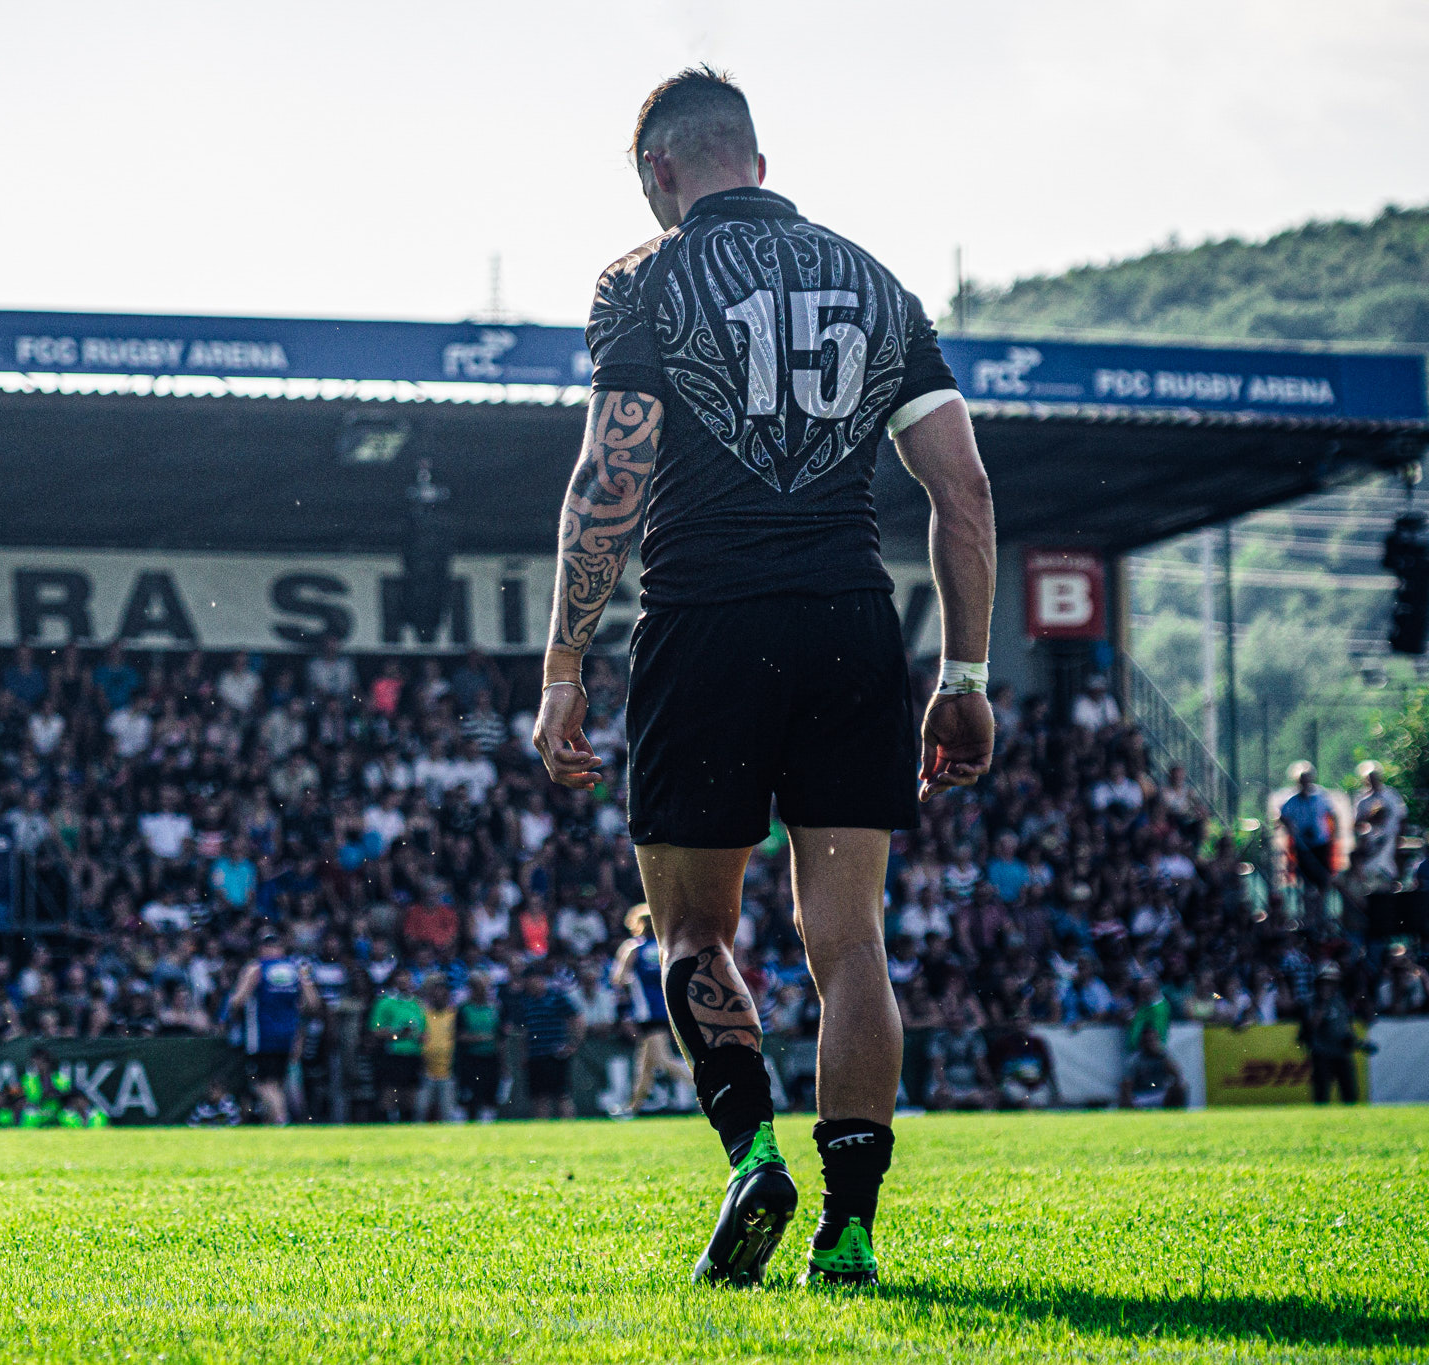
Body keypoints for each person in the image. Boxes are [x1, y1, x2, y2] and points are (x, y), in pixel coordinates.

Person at [533, 67, 993, 1288]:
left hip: (705, 626)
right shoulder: (875, 283)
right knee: (848, 943)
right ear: (757, 155)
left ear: (659, 174)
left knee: (689, 927)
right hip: (852, 627)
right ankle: (848, 1229)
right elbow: (964, 493)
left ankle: (752, 1156)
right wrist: (967, 671)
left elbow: (608, 481)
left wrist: (562, 665)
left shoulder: (641, 276)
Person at [224, 934, 319, 1126]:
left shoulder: (256, 968)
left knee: (262, 1083)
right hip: (288, 1036)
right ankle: (272, 1125)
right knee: (277, 1083)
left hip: (261, 1036)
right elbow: (313, 1003)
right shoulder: (297, 969)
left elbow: (238, 1001)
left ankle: (280, 1121)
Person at [609, 904, 692, 1118]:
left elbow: (618, 978)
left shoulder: (633, 948)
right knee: (645, 1064)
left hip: (646, 1012)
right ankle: (632, 1108)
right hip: (667, 1008)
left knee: (663, 1060)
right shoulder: (665, 947)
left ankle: (708, 1090)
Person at [1298, 963, 1373, 1104]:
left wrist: (1356, 1041)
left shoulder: (1340, 1001)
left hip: (1342, 1052)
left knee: (1350, 1093)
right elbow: (1311, 1026)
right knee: (1322, 1094)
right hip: (1321, 1053)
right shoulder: (1311, 1002)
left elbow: (1346, 1025)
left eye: (1330, 984)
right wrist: (1323, 1003)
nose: (1327, 987)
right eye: (1324, 983)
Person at [516, 966, 584, 1119]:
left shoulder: (556, 997)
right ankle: (542, 1130)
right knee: (539, 1097)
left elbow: (577, 1018)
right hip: (535, 1055)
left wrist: (573, 1044)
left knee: (562, 1095)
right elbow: (525, 1031)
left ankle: (569, 1127)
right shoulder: (526, 1001)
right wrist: (524, 1054)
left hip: (555, 1054)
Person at [367, 972, 426, 1123]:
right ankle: (385, 1124)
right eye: (400, 981)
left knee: (410, 1094)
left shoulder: (416, 1004)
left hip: (412, 1054)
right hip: (392, 1054)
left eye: (406, 981)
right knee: (389, 1092)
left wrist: (418, 1036)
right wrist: (398, 1034)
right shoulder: (385, 1002)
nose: (404, 984)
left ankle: (407, 1125)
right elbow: (375, 1030)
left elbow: (424, 1033)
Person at [1278, 763, 1337, 896]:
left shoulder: (1320, 795)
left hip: (1321, 842)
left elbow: (1332, 815)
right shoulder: (1292, 799)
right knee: (1305, 877)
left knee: (1323, 876)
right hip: (1303, 845)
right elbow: (1282, 816)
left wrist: (1332, 834)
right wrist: (1291, 828)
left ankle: (1323, 904)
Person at [454, 974, 504, 1123]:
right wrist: (479, 1038)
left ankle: (487, 1125)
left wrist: (503, 1063)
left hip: (490, 1058)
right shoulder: (464, 1009)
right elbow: (458, 1035)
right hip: (470, 1060)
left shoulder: (495, 1008)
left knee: (490, 1097)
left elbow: (500, 1036)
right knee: (467, 1097)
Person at [1354, 761, 1406, 884]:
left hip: (1390, 838)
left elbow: (1402, 816)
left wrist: (1400, 836)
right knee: (1371, 869)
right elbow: (1357, 823)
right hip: (1372, 842)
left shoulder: (1391, 796)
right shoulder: (1363, 800)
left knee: (1389, 867)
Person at [416, 976, 459, 1123]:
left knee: (447, 1113)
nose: (439, 997)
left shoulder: (454, 1015)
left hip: (448, 1071)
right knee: (421, 1110)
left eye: (443, 993)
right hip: (426, 1071)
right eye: (436, 994)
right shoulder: (424, 1015)